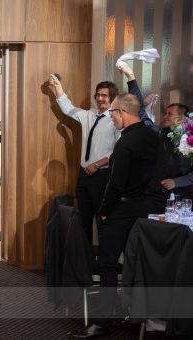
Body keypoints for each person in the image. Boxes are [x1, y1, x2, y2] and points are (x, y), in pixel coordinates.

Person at [69, 93, 159, 339]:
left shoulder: (126, 142)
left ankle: (101, 323)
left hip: (121, 210)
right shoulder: (151, 137)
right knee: (135, 263)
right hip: (143, 208)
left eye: (113, 113)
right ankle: (136, 315)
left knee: (108, 265)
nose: (112, 118)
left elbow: (116, 183)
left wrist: (105, 211)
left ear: (122, 112)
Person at [48, 76, 119, 244]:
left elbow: (118, 151)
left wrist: (98, 164)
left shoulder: (115, 119)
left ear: (112, 99)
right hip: (84, 175)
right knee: (83, 220)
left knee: (102, 221)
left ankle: (104, 264)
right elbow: (68, 109)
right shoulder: (90, 114)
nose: (100, 98)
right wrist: (58, 88)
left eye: (105, 95)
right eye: (98, 95)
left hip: (102, 175)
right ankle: (83, 262)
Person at [118, 63, 193, 213]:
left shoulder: (190, 139)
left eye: (169, 114)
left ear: (182, 119)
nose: (164, 117)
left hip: (182, 198)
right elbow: (140, 113)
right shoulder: (157, 134)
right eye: (165, 113)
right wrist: (130, 76)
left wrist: (176, 182)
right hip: (154, 196)